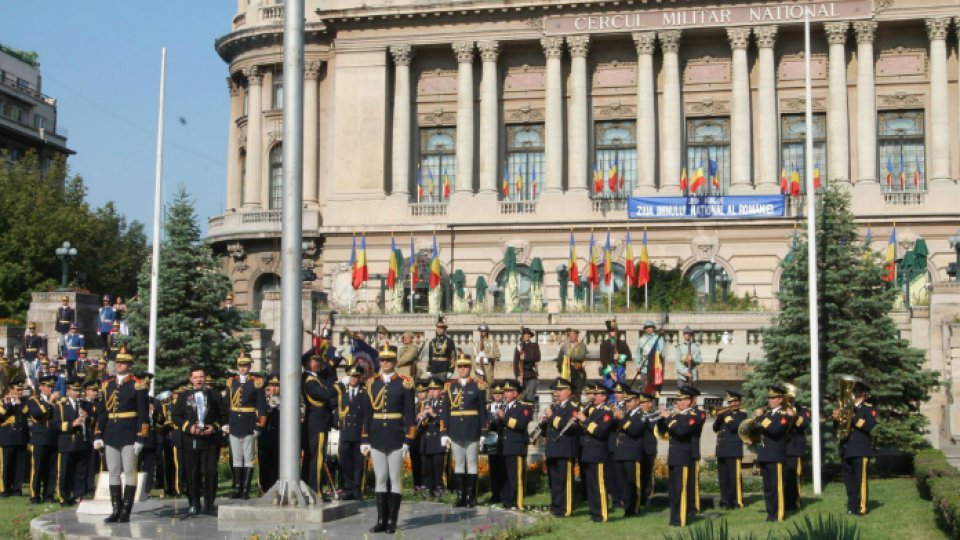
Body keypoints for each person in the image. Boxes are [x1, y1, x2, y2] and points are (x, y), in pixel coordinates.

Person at [362, 345, 415, 534]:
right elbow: (367, 413)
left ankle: (392, 520)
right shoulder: (372, 383)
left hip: (396, 434)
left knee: (394, 478)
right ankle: (381, 520)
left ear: (395, 362)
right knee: (380, 478)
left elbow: (410, 413)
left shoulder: (405, 382)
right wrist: (365, 438)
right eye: (383, 360)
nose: (385, 363)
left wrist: (408, 439)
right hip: (376, 434)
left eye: (389, 360)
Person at [93, 345, 149, 523]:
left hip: (129, 433)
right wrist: (97, 434)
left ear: (129, 365)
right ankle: (115, 509)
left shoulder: (137, 384)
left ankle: (126, 510)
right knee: (114, 471)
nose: (119, 365)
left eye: (123, 362)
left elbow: (143, 413)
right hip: (111, 432)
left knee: (129, 471)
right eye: (118, 362)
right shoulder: (107, 384)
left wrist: (141, 436)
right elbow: (102, 412)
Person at [173, 366, 226, 516]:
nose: (199, 380)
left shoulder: (214, 395)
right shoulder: (184, 396)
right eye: (196, 377)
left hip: (210, 441)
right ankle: (194, 504)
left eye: (201, 377)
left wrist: (214, 427)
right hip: (191, 439)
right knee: (192, 472)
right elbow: (176, 416)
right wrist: (188, 427)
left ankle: (209, 504)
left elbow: (223, 415)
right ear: (190, 379)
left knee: (210, 471)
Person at [439, 352, 487, 507]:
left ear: (470, 368)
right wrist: (443, 432)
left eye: (466, 366)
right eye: (460, 367)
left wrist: (483, 432)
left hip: (472, 430)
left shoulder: (478, 386)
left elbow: (482, 412)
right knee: (458, 463)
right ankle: (460, 495)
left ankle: (471, 496)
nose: (463, 369)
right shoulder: (450, 386)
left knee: (472, 463)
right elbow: (445, 411)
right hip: (455, 430)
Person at [658, 384, 703, 528]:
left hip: (684, 456)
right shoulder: (678, 415)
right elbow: (664, 430)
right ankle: (674, 519)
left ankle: (681, 519)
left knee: (681, 490)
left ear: (689, 401)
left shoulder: (695, 414)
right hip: (675, 456)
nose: (678, 403)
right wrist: (662, 419)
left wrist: (669, 418)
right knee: (674, 491)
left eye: (682, 400)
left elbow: (681, 431)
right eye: (677, 400)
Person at [224, 352, 266, 500]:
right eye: (240, 366)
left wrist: (259, 426)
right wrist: (225, 422)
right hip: (234, 423)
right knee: (236, 457)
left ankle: (246, 490)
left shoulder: (256, 382)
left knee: (248, 457)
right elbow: (227, 404)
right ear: (237, 367)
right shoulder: (231, 382)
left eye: (245, 366)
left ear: (249, 366)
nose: (243, 369)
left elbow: (261, 406)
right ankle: (237, 488)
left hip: (248, 423)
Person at [574, 384, 615, 522]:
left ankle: (602, 514)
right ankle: (594, 513)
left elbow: (600, 431)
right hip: (589, 452)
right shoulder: (594, 411)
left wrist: (585, 421)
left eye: (597, 395)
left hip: (598, 453)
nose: (594, 397)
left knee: (599, 485)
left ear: (603, 397)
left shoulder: (607, 412)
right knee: (591, 486)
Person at [835, 381, 876, 516]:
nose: (853, 394)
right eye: (853, 391)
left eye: (857, 391)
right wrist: (836, 419)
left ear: (863, 394)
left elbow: (867, 426)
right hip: (846, 448)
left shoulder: (869, 409)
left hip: (860, 449)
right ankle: (851, 507)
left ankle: (862, 507)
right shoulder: (847, 407)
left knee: (860, 480)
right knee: (849, 481)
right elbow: (839, 429)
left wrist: (850, 416)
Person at [302, 352, 336, 501]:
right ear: (307, 363)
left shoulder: (316, 378)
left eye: (318, 360)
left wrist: (336, 357)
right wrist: (340, 387)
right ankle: (315, 491)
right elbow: (325, 395)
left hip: (320, 422)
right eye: (314, 361)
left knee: (316, 457)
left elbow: (327, 373)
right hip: (316, 424)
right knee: (317, 458)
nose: (318, 363)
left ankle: (312, 489)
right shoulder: (309, 380)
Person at [754, 384, 790, 522]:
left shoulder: (783, 415)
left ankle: (779, 514)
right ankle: (770, 514)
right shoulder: (768, 415)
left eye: (773, 398)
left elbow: (775, 430)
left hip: (776, 456)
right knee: (768, 488)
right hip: (765, 455)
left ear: (780, 399)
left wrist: (761, 418)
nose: (770, 400)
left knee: (777, 487)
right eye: (769, 398)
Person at [543, 378, 578, 517]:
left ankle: (566, 508)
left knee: (565, 481)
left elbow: (566, 425)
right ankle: (556, 506)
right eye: (557, 390)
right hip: (553, 448)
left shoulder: (573, 407)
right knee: (555, 481)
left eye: (561, 390)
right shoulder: (556, 406)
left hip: (565, 449)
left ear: (569, 392)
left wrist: (551, 417)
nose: (558, 392)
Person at [53, 378, 91, 506]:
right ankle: (63, 497)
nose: (77, 393)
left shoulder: (83, 404)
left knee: (80, 472)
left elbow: (90, 422)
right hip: (66, 443)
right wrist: (72, 424)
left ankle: (78, 496)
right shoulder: (61, 405)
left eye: (79, 391)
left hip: (80, 443)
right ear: (68, 391)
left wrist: (87, 418)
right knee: (64, 472)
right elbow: (56, 425)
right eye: (75, 390)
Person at [614, 386, 650, 517]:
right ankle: (626, 507)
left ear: (637, 401)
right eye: (626, 401)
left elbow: (635, 431)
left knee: (633, 483)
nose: (627, 404)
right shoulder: (627, 414)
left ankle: (634, 509)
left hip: (632, 453)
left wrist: (622, 418)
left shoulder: (642, 415)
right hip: (622, 452)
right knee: (623, 483)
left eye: (629, 401)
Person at [25, 374, 60, 504]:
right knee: (37, 469)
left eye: (52, 386)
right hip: (39, 439)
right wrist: (50, 402)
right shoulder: (34, 400)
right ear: (41, 387)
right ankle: (34, 495)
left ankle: (49, 495)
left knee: (51, 470)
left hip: (53, 439)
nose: (51, 389)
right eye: (48, 386)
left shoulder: (58, 401)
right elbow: (37, 414)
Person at [497, 379, 532, 510]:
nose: (505, 393)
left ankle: (517, 502)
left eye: (509, 391)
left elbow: (520, 424)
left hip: (516, 446)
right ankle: (507, 501)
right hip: (504, 446)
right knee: (505, 476)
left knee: (515, 477)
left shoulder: (524, 406)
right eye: (505, 391)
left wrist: (504, 417)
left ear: (516, 393)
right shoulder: (503, 406)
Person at [336, 364, 368, 501]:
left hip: (359, 432)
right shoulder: (342, 393)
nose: (353, 379)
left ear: (360, 377)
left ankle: (357, 489)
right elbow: (335, 410)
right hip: (345, 432)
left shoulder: (365, 393)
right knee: (345, 462)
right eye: (351, 376)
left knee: (358, 463)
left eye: (356, 376)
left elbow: (367, 415)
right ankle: (347, 489)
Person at [714, 389, 747, 510]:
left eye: (732, 401)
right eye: (729, 402)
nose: (730, 404)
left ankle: (736, 500)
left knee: (734, 477)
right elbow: (715, 428)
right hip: (722, 449)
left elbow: (733, 427)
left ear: (738, 402)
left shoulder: (742, 415)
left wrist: (726, 415)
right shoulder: (724, 415)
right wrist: (719, 417)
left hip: (733, 449)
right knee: (723, 477)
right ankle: (725, 500)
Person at [0, 381, 28, 497]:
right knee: (5, 465)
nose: (20, 392)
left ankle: (17, 489)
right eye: (18, 390)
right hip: (6, 438)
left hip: (20, 438)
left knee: (19, 465)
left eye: (21, 390)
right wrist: (8, 405)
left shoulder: (23, 402)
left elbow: (27, 413)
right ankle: (4, 489)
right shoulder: (2, 401)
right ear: (11, 390)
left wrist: (19, 404)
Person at [785, 388, 811, 512]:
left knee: (793, 477)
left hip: (794, 447)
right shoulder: (781, 410)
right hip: (782, 447)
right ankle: (783, 501)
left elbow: (804, 424)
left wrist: (793, 416)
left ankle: (794, 502)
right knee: (783, 477)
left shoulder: (803, 410)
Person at [419, 378, 446, 497]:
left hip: (438, 440)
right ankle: (428, 489)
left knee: (438, 467)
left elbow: (445, 421)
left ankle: (439, 489)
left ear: (441, 390)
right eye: (430, 389)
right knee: (427, 468)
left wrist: (434, 415)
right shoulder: (426, 403)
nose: (432, 392)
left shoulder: (444, 403)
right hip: (427, 439)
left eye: (435, 389)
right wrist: (420, 418)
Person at [635, 392, 659, 507]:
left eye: (643, 403)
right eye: (640, 403)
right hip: (637, 448)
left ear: (649, 404)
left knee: (647, 474)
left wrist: (645, 417)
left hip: (649, 448)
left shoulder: (653, 415)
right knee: (637, 474)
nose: (640, 405)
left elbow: (652, 426)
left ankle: (647, 497)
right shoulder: (635, 414)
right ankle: (638, 497)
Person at [257, 376, 280, 494]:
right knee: (265, 464)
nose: (274, 389)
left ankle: (277, 488)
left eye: (276, 386)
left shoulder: (284, 400)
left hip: (279, 438)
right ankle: (264, 488)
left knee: (277, 464)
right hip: (265, 437)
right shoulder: (262, 401)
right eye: (271, 386)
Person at [599, 320, 631, 398]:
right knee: (609, 391)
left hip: (620, 370)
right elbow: (604, 360)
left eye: (615, 330)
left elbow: (629, 356)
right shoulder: (604, 344)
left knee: (620, 391)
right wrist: (611, 373)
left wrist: (620, 356)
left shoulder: (622, 343)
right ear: (609, 332)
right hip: (609, 371)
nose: (614, 332)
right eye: (612, 331)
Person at [486, 381, 506, 504]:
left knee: (502, 468)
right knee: (493, 468)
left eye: (500, 393)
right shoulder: (488, 407)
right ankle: (495, 494)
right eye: (495, 393)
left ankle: (503, 493)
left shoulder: (505, 406)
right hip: (491, 439)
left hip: (502, 439)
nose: (497, 395)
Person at [555, 328, 587, 402]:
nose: (571, 336)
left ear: (577, 335)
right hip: (566, 372)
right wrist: (561, 369)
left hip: (577, 372)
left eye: (573, 334)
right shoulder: (565, 346)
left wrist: (569, 355)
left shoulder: (581, 345)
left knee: (576, 394)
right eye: (570, 334)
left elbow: (581, 356)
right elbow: (559, 358)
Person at [512, 328, 541, 411]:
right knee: (522, 396)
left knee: (530, 395)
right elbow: (515, 363)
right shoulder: (519, 347)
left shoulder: (534, 346)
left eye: (528, 334)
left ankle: (531, 413)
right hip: (522, 374)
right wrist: (517, 375)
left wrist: (526, 358)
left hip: (531, 373)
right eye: (525, 334)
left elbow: (537, 357)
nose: (526, 336)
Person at [82, 380, 102, 497]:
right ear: (87, 391)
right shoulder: (83, 403)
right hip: (84, 436)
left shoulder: (99, 404)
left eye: (96, 391)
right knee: (82, 463)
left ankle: (90, 487)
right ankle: (81, 487)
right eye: (93, 391)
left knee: (92, 464)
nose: (95, 393)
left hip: (94, 437)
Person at [635, 320, 665, 397]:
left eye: (651, 327)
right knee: (645, 388)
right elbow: (638, 353)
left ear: (654, 328)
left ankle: (654, 406)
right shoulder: (641, 340)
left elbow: (661, 351)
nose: (649, 329)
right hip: (644, 367)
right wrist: (637, 365)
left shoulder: (659, 338)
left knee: (655, 389)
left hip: (655, 367)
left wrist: (652, 354)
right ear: (644, 329)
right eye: (647, 327)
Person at [474, 323, 501, 391]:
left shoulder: (492, 343)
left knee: (488, 387)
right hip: (478, 369)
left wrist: (487, 357)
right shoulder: (476, 344)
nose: (482, 333)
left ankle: (488, 400)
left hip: (488, 368)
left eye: (484, 331)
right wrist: (476, 369)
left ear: (487, 332)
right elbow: (473, 358)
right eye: (481, 331)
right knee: (478, 387)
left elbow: (497, 356)